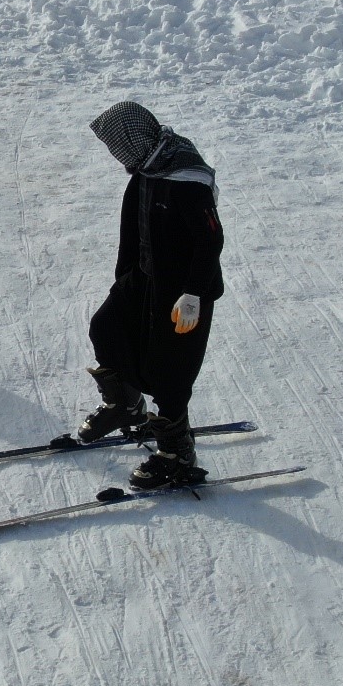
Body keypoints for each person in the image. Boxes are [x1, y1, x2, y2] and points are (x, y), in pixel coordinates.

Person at [76, 101, 225, 489]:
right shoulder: (147, 169)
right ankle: (124, 404)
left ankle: (177, 454)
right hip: (143, 278)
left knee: (170, 371)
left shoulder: (187, 180)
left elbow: (210, 242)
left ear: (135, 138)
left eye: (118, 145)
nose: (116, 154)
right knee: (106, 328)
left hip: (181, 295)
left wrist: (193, 293)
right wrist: (123, 278)